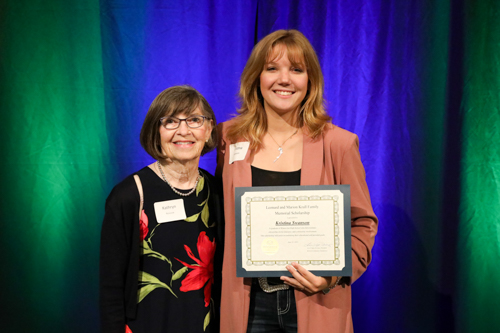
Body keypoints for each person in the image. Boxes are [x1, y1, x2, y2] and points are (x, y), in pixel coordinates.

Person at [216, 30, 378, 333]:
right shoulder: (227, 138)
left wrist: (331, 277)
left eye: (297, 69)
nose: (284, 79)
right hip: (247, 304)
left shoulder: (339, 144)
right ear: (256, 77)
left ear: (310, 81)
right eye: (272, 68)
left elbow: (363, 223)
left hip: (315, 302)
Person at [100, 85, 223, 333]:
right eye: (170, 122)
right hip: (147, 325)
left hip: (205, 325)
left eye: (194, 120)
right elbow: (111, 285)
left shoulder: (217, 191)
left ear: (209, 129)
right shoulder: (130, 195)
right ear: (155, 132)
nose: (184, 130)